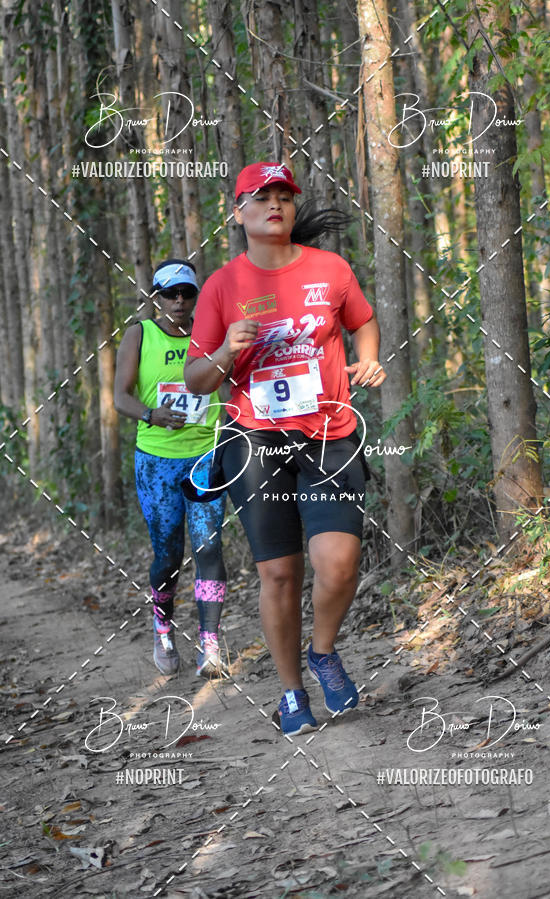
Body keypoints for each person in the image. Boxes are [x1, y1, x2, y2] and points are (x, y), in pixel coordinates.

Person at [184, 163, 385, 734]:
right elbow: (197, 379)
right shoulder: (222, 286)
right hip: (254, 438)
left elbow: (363, 322)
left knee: (339, 564)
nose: (275, 204)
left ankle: (323, 652)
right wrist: (226, 350)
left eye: (284, 196)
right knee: (278, 574)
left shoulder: (330, 269)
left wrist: (369, 358)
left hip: (329, 434)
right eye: (261, 196)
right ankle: (292, 693)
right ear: (238, 212)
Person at [114, 259, 227, 678]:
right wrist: (151, 414)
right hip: (157, 461)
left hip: (204, 457)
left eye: (186, 293)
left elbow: (231, 381)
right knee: (168, 555)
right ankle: (163, 627)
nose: (179, 301)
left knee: (209, 547)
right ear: (156, 297)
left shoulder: (211, 332)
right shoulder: (139, 334)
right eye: (170, 294)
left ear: (196, 295)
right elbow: (120, 397)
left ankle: (210, 643)